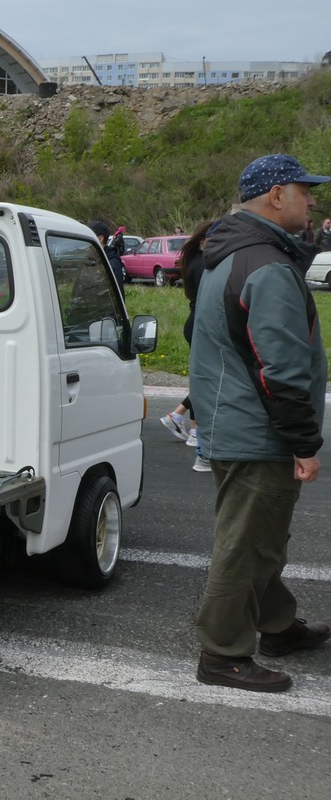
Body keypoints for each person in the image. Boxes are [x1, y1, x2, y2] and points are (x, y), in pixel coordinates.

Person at [189, 154, 330, 693]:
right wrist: (304, 443)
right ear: (276, 196)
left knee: (261, 536)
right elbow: (283, 369)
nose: (312, 200)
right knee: (247, 543)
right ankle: (223, 653)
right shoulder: (265, 265)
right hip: (257, 430)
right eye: (304, 190)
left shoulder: (229, 253)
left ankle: (276, 626)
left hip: (235, 422)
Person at [159, 220, 216, 469]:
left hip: (197, 323)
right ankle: (194, 430)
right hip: (201, 324)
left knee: (206, 376)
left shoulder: (195, 261)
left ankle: (178, 415)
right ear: (203, 241)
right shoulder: (202, 265)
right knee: (206, 378)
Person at [88, 220, 125, 292]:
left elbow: (116, 295)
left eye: (89, 236)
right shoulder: (89, 259)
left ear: (100, 239)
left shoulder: (112, 264)